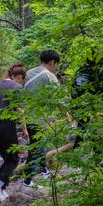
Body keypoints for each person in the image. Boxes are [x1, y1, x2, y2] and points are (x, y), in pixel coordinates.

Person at [0, 63, 28, 202]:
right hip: (6, 125)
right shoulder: (17, 87)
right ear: (18, 77)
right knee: (12, 158)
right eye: (22, 79)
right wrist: (24, 129)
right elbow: (19, 110)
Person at [22, 50, 61, 187]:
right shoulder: (50, 76)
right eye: (56, 65)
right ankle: (27, 181)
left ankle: (44, 170)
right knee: (36, 150)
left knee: (38, 146)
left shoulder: (28, 73)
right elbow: (58, 99)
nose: (57, 68)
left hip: (27, 117)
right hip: (41, 118)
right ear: (52, 62)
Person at [71, 54, 103, 149]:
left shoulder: (80, 70)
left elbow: (73, 88)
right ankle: (97, 157)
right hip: (90, 105)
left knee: (82, 130)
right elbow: (102, 93)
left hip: (77, 104)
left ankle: (77, 152)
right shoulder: (98, 71)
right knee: (96, 131)